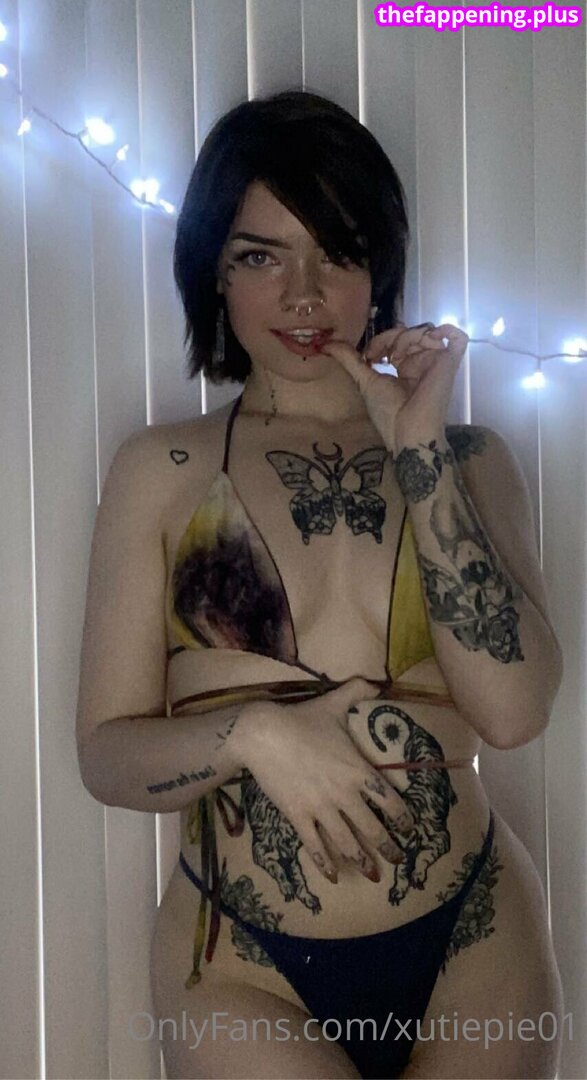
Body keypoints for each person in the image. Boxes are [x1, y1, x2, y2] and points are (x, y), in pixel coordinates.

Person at [76, 90, 565, 1079]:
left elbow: (513, 714)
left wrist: (417, 448)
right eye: (261, 255)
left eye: (334, 251)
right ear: (212, 271)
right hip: (242, 962)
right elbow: (108, 756)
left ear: (377, 266)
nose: (303, 295)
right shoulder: (162, 470)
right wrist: (255, 735)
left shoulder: (468, 460)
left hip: (474, 942)